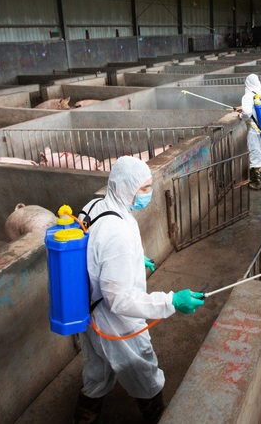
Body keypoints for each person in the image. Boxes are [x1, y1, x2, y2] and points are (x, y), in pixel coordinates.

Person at [72, 156, 205, 424]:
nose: (149, 193)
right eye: (143, 188)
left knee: (97, 371)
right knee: (144, 373)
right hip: (115, 323)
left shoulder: (96, 206)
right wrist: (171, 302)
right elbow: (120, 300)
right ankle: (156, 416)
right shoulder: (117, 232)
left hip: (89, 313)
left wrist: (131, 259)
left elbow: (92, 251)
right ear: (125, 188)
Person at [238, 73, 261, 190]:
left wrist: (241, 115)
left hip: (255, 130)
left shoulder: (247, 96)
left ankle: (256, 183)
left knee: (255, 154)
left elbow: (247, 113)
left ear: (247, 83)